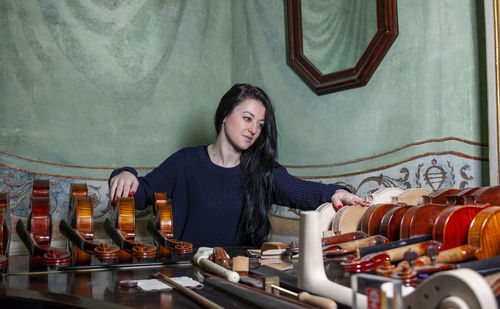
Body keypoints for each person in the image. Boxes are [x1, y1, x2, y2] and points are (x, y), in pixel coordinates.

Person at [109, 83, 366, 247]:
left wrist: (337, 192)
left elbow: (302, 191)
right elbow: (141, 193)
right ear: (224, 115)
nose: (254, 130)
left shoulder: (262, 169)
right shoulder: (185, 161)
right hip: (185, 272)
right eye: (247, 118)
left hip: (241, 274)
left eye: (260, 124)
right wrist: (124, 173)